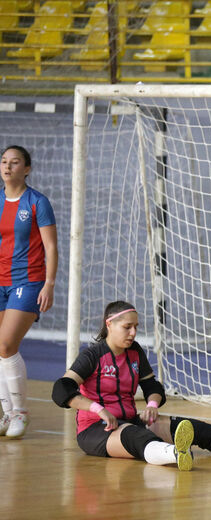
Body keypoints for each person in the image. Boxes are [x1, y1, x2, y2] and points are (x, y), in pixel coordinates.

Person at [51, 300, 211, 471]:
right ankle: (174, 454)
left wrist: (153, 404)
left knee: (192, 428)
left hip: (130, 420)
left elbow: (153, 387)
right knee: (138, 436)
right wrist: (98, 409)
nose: (133, 332)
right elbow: (61, 389)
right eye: (127, 327)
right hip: (96, 430)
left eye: (136, 327)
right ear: (109, 325)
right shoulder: (92, 356)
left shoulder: (135, 353)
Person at [0, 145, 58, 439]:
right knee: (0, 349)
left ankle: (20, 414)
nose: (8, 167)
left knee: (7, 344)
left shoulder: (37, 202)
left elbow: (50, 246)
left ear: (27, 168)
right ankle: (7, 413)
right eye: (4, 162)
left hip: (28, 281)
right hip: (0, 280)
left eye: (15, 162)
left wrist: (49, 283)